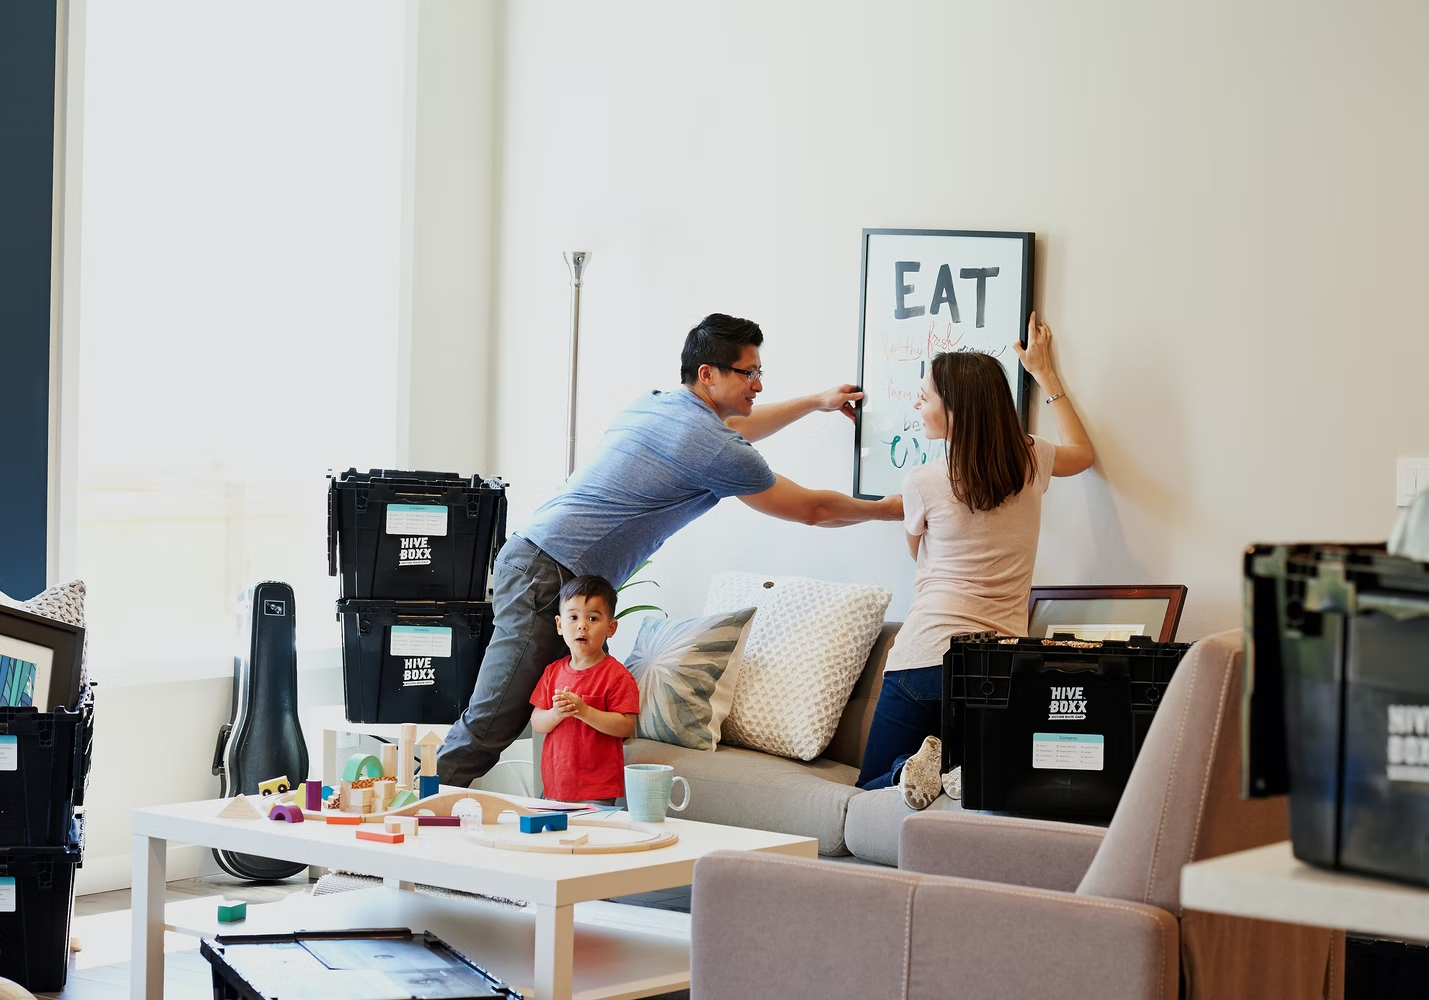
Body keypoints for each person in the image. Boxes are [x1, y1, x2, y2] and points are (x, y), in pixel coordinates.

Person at [438, 313, 903, 786]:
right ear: (708, 374)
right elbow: (813, 510)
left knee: (546, 717)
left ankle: (483, 807)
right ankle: (416, 810)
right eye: (749, 373)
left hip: (536, 560)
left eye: (759, 373)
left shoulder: (656, 404)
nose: (758, 385)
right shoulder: (714, 447)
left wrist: (815, 402)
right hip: (550, 574)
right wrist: (888, 508)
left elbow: (736, 428)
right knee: (493, 720)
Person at [855, 312, 1096, 809]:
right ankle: (956, 770)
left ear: (956, 409)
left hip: (925, 657)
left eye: (926, 395)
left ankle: (914, 770)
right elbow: (1083, 453)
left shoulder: (923, 481)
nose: (918, 403)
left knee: (869, 786)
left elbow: (918, 555)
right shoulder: (1031, 458)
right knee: (980, 784)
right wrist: (1045, 375)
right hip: (1000, 665)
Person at [528, 575, 639, 804]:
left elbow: (626, 726)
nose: (582, 625)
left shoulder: (617, 675)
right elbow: (537, 722)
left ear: (611, 628)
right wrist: (556, 713)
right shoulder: (552, 672)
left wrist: (584, 711)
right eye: (573, 617)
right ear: (560, 625)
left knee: (593, 828)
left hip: (598, 789)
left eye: (592, 618)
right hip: (556, 784)